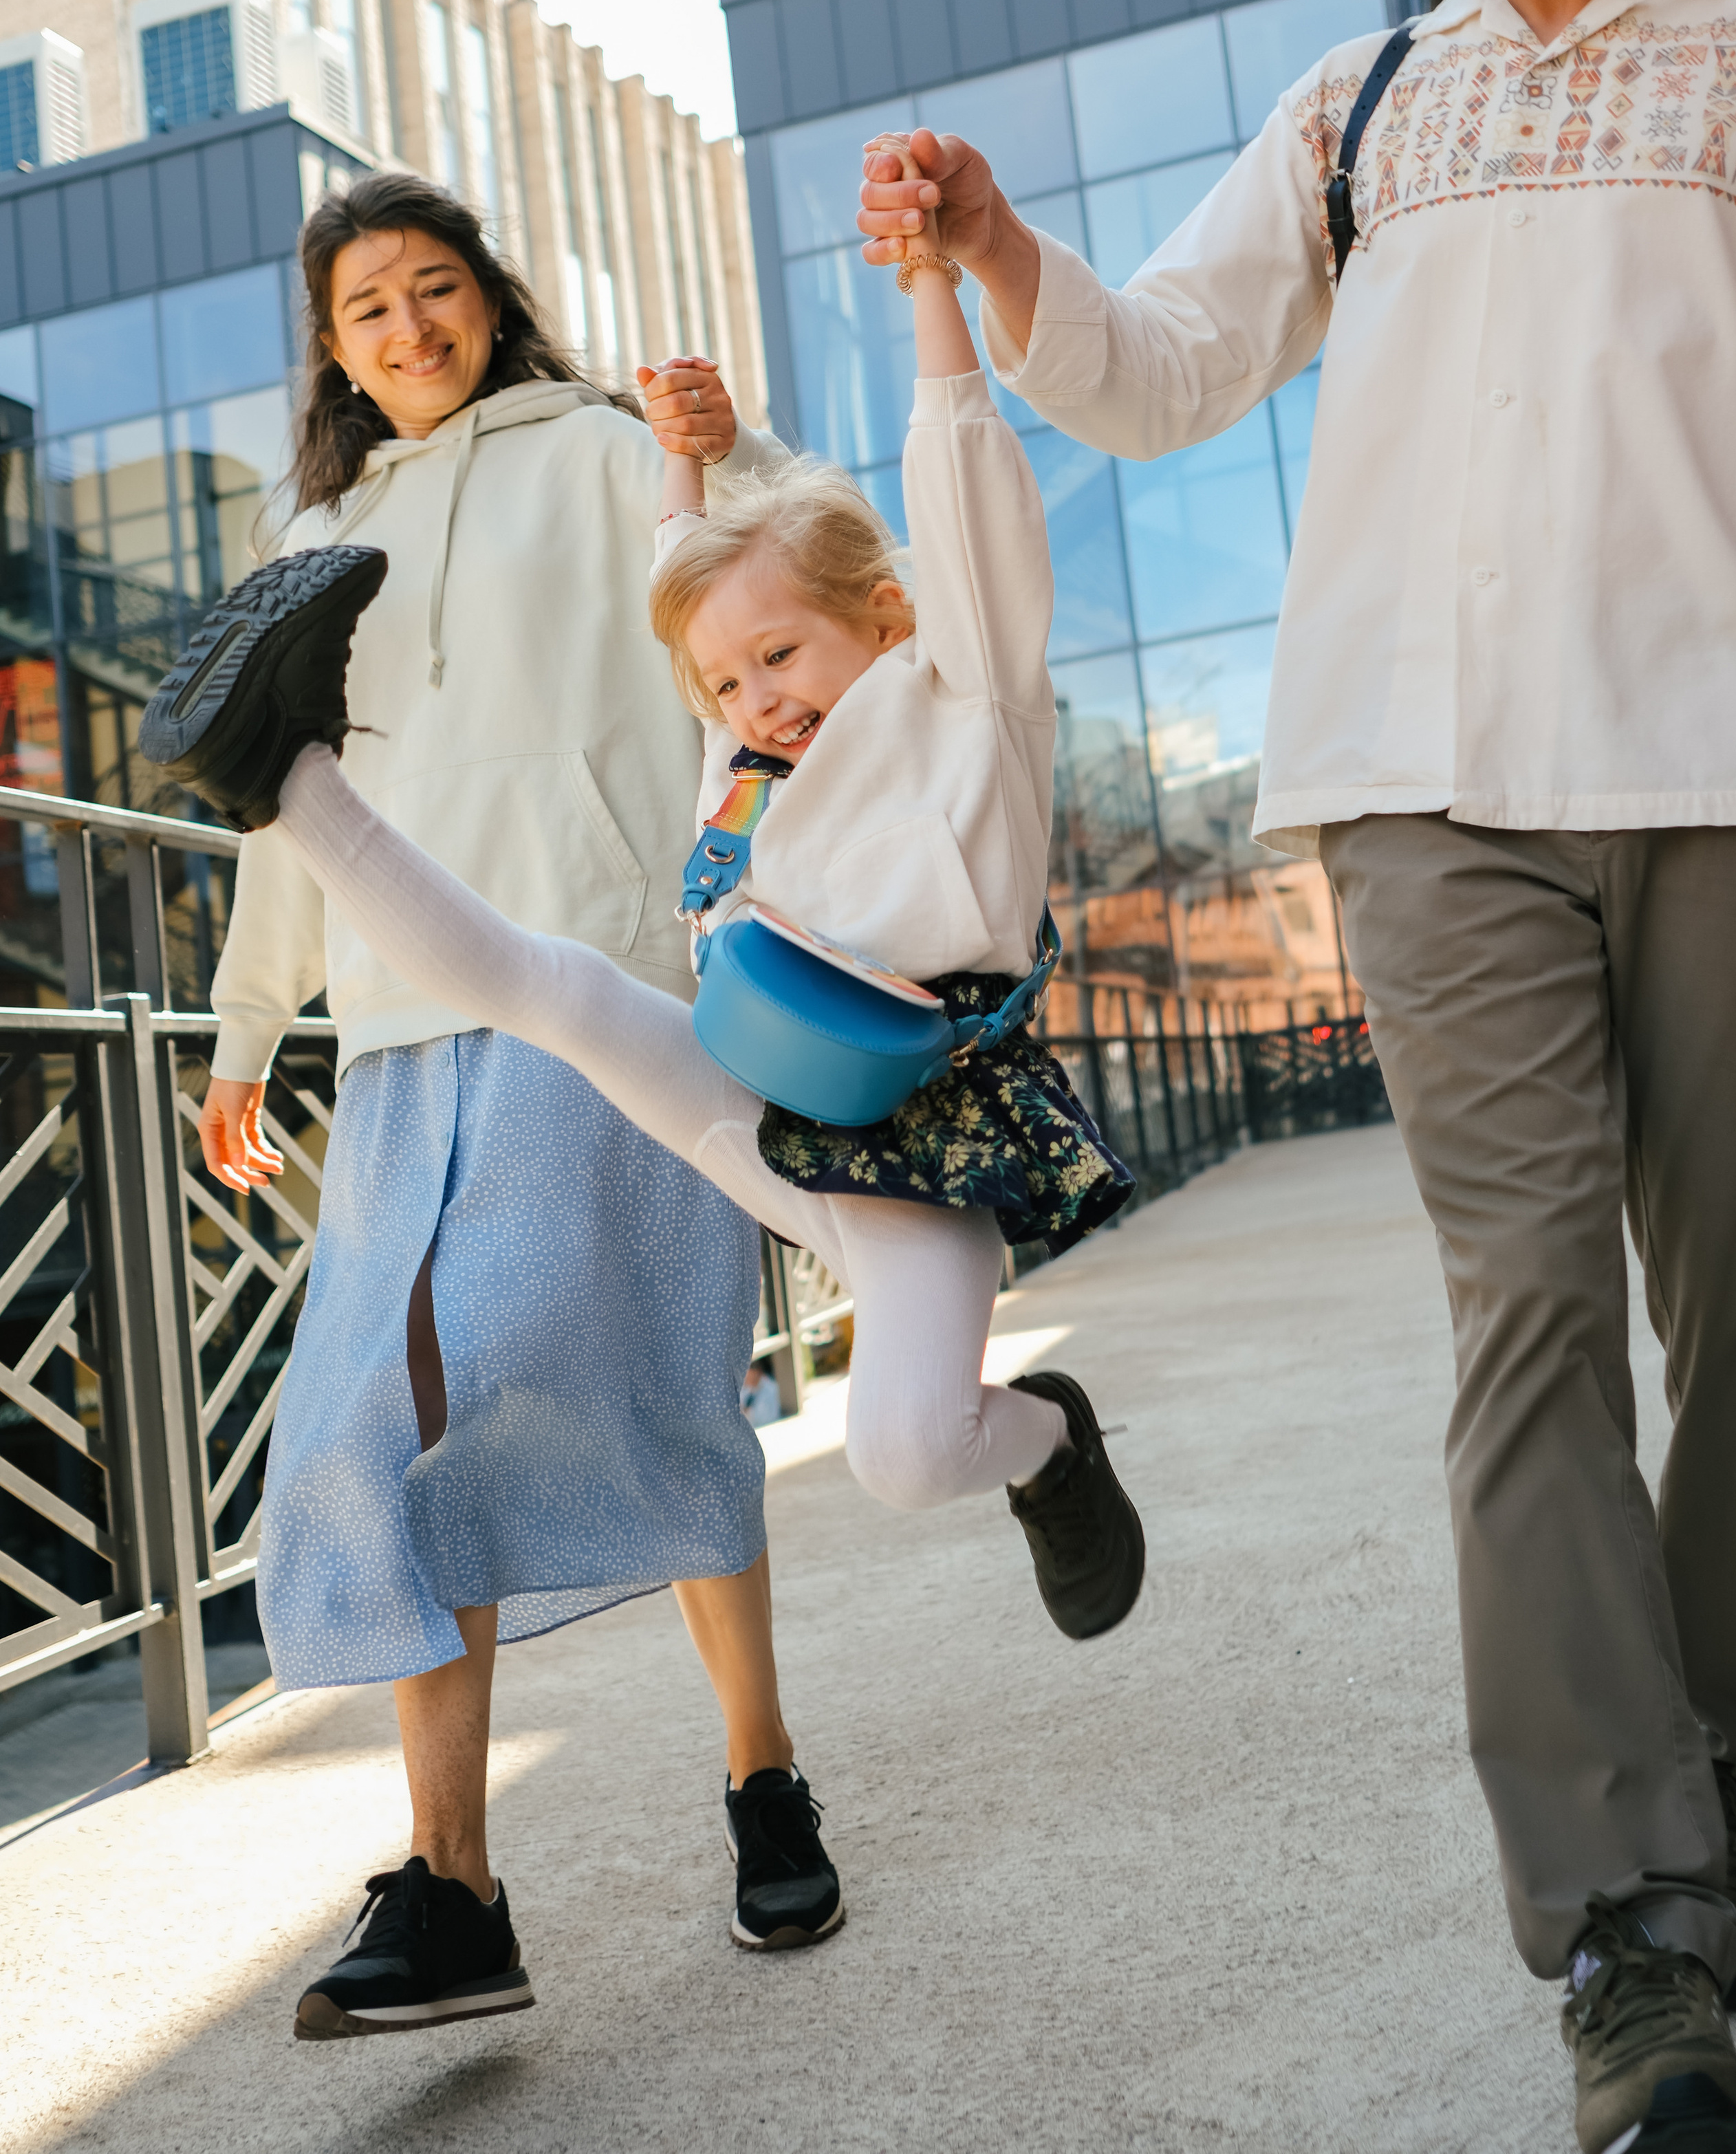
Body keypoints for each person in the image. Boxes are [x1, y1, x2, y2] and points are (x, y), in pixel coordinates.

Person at [856, 0, 1736, 2154]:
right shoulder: (1360, 112)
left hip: (1726, 766)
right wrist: (1009, 249)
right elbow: (1153, 372)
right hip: (1428, 788)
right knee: (1532, 1336)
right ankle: (1627, 1930)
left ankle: (1729, 1780)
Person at [140, 160, 1146, 1690]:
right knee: (545, 986)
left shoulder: (963, 700)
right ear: (330, 348)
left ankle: (1040, 1440)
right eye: (729, 684)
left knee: (905, 1453)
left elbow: (934, 485)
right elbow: (698, 605)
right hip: (747, 1076)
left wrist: (930, 283)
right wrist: (252, 1017)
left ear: (883, 615)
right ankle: (278, 770)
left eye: (783, 661)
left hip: (920, 1126)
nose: (758, 698)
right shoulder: (737, 759)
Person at [185, 171, 843, 2041]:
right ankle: (455, 1881)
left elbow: (773, 594)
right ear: (331, 347)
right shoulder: (307, 525)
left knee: (640, 1381)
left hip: (603, 994)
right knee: (384, 1417)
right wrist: (249, 1031)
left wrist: (722, 443)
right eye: (368, 307)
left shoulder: (611, 444)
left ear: (492, 299)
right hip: (398, 1032)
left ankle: (761, 1771)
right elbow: (276, 797)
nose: (409, 328)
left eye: (436, 289)